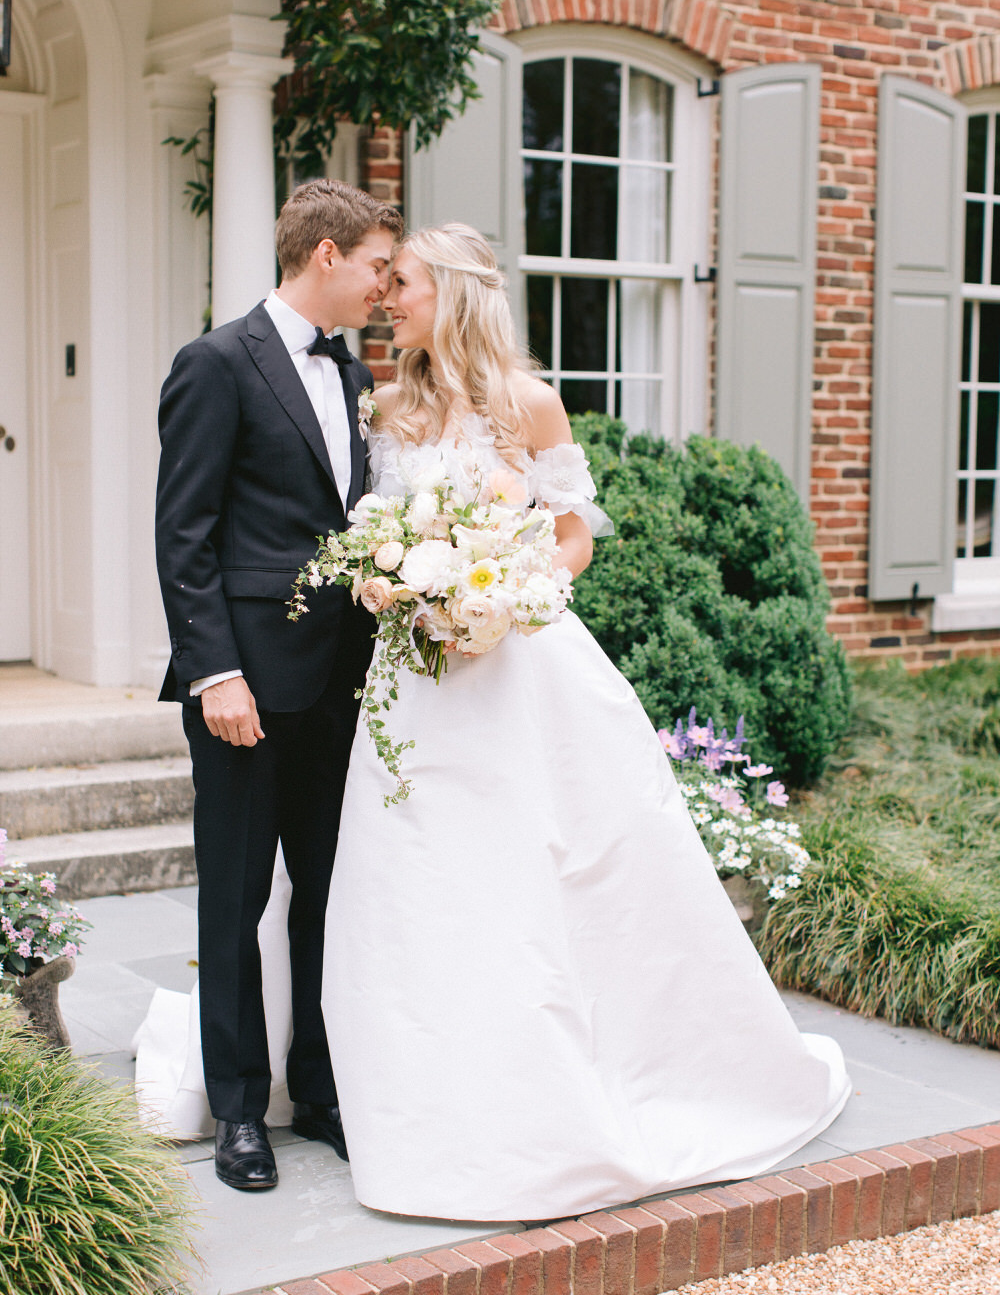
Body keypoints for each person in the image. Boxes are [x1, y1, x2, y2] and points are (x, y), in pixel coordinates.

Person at [317, 223, 850, 1221]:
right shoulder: (388, 405)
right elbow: (373, 537)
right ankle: (434, 1097)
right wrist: (395, 589)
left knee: (548, 869)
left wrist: (504, 597)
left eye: (409, 283)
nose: (391, 298)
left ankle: (591, 1076)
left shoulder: (529, 401)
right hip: (415, 686)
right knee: (424, 878)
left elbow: (571, 539)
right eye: (386, 284)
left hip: (521, 666)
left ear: (458, 292)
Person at [150, 179, 401, 1192]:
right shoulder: (216, 363)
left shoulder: (350, 375)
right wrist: (215, 671)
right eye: (380, 266)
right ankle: (240, 1112)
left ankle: (323, 1091)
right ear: (327, 256)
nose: (387, 287)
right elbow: (185, 534)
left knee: (328, 894)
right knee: (237, 900)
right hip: (244, 686)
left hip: (341, 684)